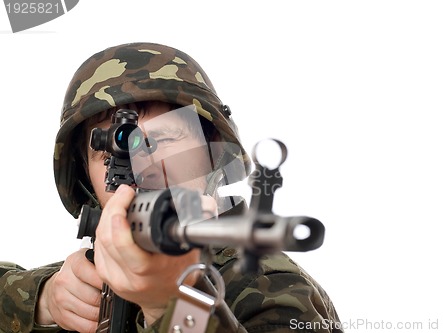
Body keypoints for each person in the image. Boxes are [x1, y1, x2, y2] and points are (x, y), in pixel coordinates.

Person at [0, 42, 343, 333]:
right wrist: (41, 300)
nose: (142, 167)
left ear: (210, 151)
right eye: (108, 154)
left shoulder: (273, 287)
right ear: (85, 181)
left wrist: (173, 303)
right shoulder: (85, 276)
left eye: (164, 138)